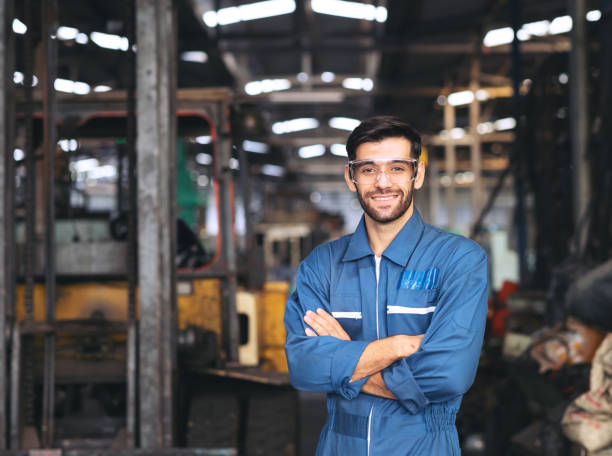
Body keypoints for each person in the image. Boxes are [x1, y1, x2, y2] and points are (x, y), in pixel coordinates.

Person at [284, 116, 489, 455]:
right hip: (339, 445)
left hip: (425, 444)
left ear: (417, 175)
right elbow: (304, 366)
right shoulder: (321, 265)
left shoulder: (459, 260)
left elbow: (447, 375)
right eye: (368, 170)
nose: (382, 182)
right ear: (351, 177)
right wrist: (397, 346)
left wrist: (344, 360)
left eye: (396, 168)